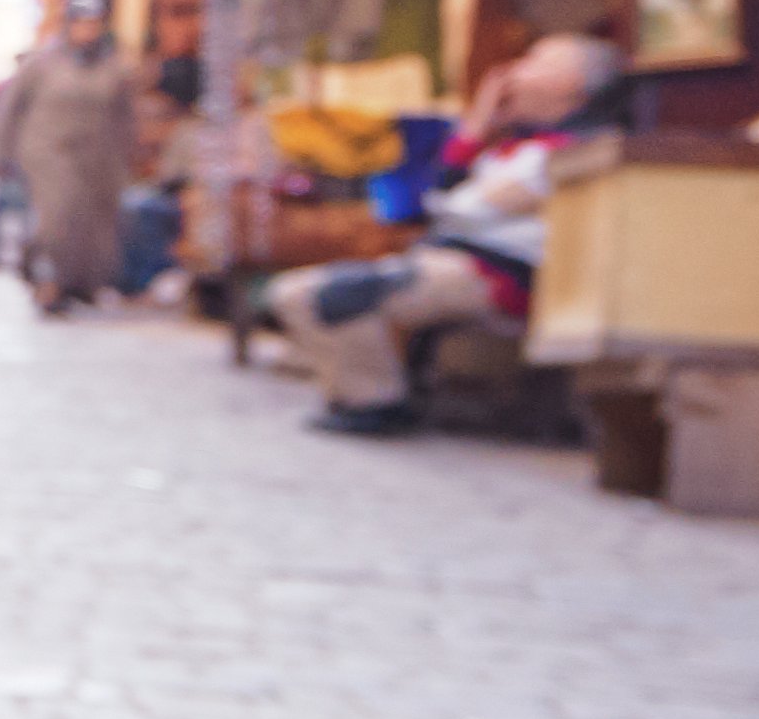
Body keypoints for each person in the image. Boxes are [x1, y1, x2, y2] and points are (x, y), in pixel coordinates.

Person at [267, 33, 632, 433]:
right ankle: (369, 394)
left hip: (500, 276)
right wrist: (476, 128)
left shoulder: (573, 150)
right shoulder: (521, 144)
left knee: (326, 295)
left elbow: (459, 208)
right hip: (459, 261)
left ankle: (375, 402)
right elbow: (446, 201)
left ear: (568, 85)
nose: (510, 73)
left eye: (533, 62)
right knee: (301, 292)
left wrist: (455, 191)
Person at [0, 0, 144, 311]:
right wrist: (2, 151)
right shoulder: (43, 63)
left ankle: (74, 284)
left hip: (98, 157)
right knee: (57, 217)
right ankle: (48, 280)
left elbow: (124, 116)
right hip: (49, 151)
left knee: (90, 224)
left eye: (93, 24)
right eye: (82, 23)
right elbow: (10, 107)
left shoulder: (112, 66)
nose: (87, 31)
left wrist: (130, 154)